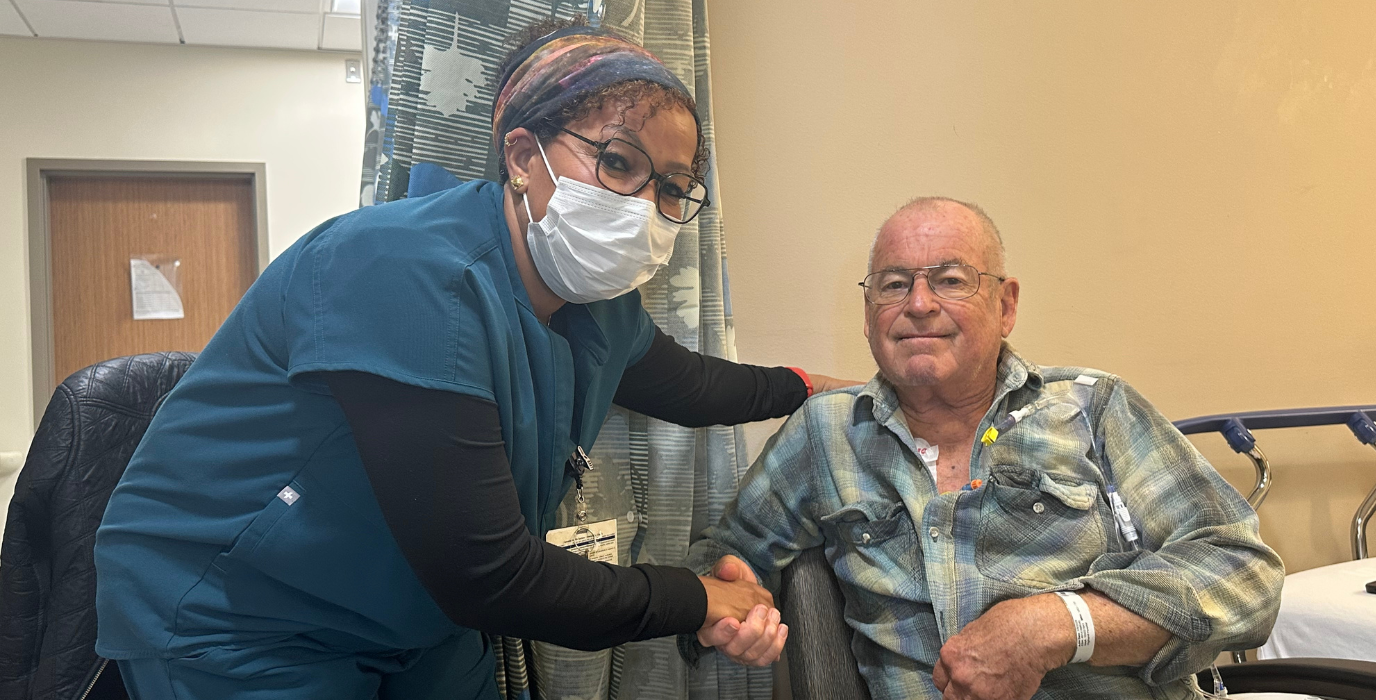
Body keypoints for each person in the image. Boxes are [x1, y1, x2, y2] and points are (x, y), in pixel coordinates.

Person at [94, 18, 855, 699]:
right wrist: (700, 601)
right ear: (522, 155)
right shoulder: (397, 269)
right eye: (620, 164)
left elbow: (693, 386)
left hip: (414, 611)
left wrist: (819, 387)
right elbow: (488, 576)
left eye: (673, 187)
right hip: (242, 612)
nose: (646, 207)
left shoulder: (597, 307)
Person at [685, 197, 1285, 699]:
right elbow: (725, 557)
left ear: (1006, 305)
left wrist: (1062, 623)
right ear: (869, 317)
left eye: (951, 280)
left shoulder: (1093, 407)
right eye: (895, 284)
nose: (919, 305)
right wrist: (733, 604)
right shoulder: (825, 433)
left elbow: (1242, 572)